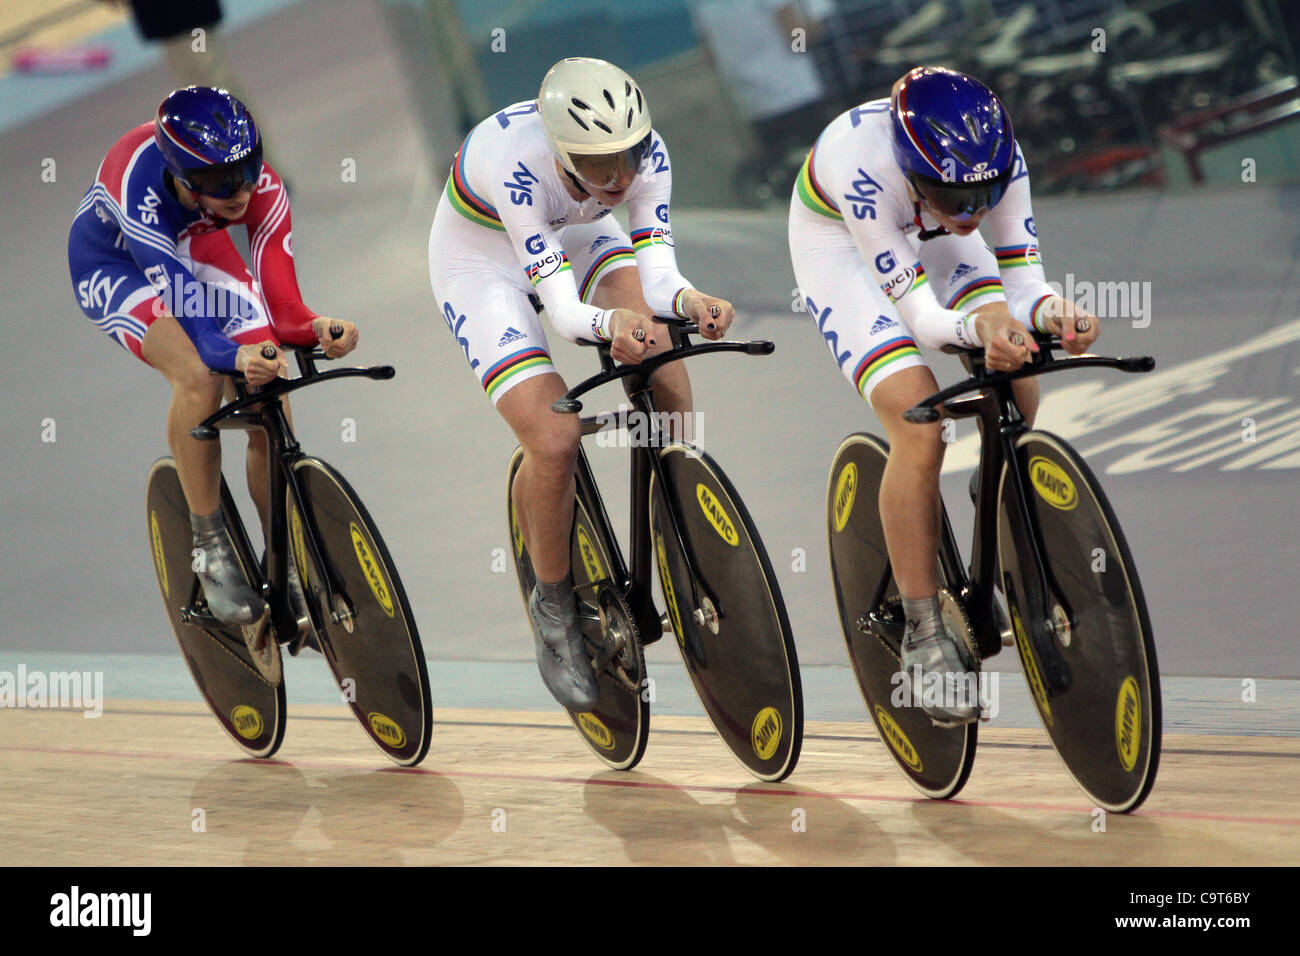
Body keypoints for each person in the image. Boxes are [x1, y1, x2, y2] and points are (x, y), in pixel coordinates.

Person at [789, 65, 1098, 724]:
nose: (973, 214)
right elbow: (926, 321)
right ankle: (925, 634)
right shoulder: (865, 172)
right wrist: (982, 325)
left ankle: (995, 503)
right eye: (955, 198)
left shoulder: (995, 166)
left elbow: (1025, 286)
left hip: (926, 238)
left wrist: (1055, 314)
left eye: (982, 197)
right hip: (844, 250)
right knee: (919, 423)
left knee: (1017, 381)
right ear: (913, 171)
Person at [428, 57, 736, 710]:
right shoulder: (517, 170)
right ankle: (554, 606)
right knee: (556, 437)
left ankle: (678, 526)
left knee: (659, 359)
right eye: (602, 165)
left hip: (578, 227)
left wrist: (687, 302)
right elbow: (568, 316)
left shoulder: (643, 162)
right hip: (481, 261)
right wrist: (610, 320)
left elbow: (657, 275)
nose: (622, 177)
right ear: (565, 153)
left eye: (630, 156)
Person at [68, 86, 357, 633]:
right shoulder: (140, 190)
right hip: (118, 264)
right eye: (219, 182)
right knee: (200, 376)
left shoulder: (257, 185)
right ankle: (209, 543)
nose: (241, 190)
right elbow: (201, 332)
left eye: (247, 169)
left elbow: (284, 305)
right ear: (179, 178)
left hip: (198, 250)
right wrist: (235, 353)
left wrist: (314, 328)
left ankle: (286, 557)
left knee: (267, 383)